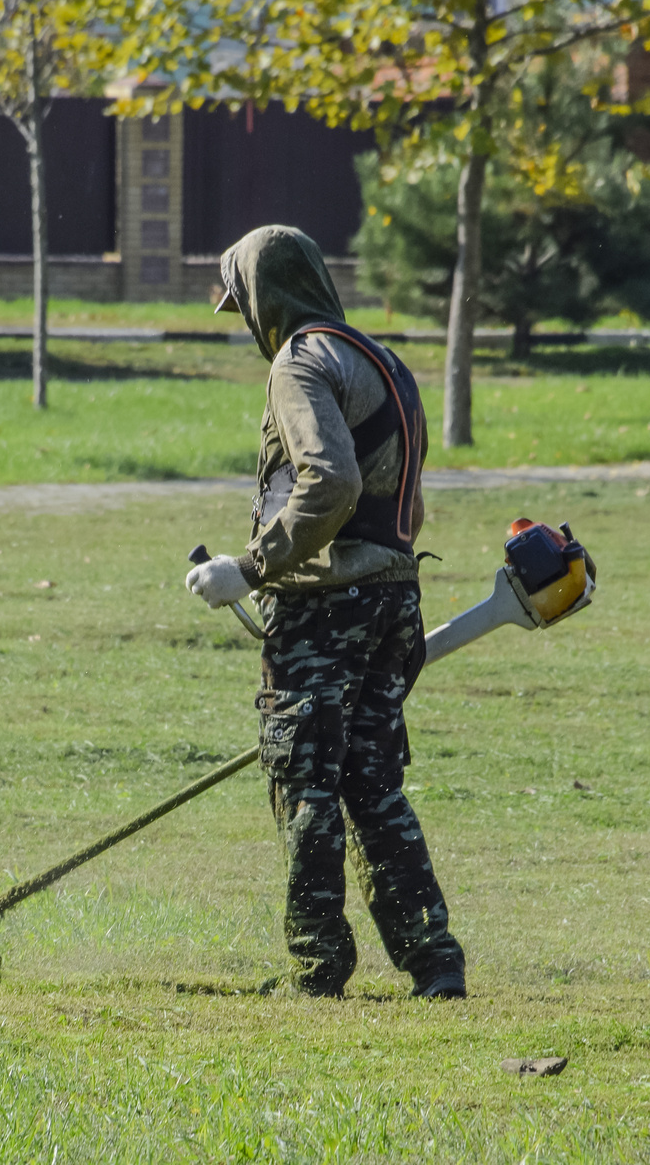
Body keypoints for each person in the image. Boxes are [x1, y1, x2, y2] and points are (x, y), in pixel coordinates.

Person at [184, 225, 465, 1000]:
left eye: (243, 305)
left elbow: (332, 481)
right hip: (394, 599)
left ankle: (318, 968)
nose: (245, 322)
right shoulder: (382, 360)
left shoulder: (298, 362)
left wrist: (246, 567)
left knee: (303, 777)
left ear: (264, 299)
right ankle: (434, 960)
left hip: (325, 607)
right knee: (373, 782)